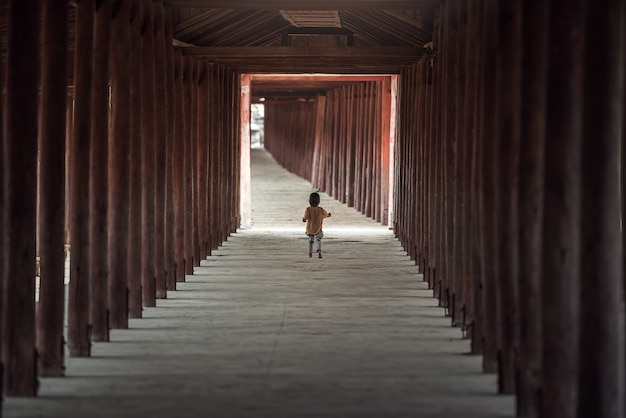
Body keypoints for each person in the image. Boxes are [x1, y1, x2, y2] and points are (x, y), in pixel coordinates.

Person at [302, 192, 331, 258]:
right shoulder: (320, 210)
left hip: (310, 229)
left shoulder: (308, 209)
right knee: (318, 239)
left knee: (310, 241)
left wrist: (303, 219)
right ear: (318, 201)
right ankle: (319, 251)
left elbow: (305, 217)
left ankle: (310, 253)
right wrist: (328, 215)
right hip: (318, 229)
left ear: (309, 201)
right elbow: (325, 214)